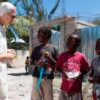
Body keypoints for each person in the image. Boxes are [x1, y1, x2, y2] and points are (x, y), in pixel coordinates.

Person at [56, 34, 89, 100]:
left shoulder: (81, 56)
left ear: (78, 44)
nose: (68, 42)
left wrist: (80, 74)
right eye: (68, 40)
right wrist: (62, 72)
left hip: (76, 88)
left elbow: (86, 69)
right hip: (64, 88)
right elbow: (57, 68)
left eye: (72, 41)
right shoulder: (62, 55)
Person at [30, 26, 58, 100]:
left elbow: (57, 64)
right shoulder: (36, 49)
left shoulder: (53, 49)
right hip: (37, 77)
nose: (37, 36)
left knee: (48, 97)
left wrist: (50, 58)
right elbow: (31, 62)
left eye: (39, 35)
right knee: (36, 97)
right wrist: (38, 64)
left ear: (46, 36)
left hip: (48, 78)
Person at [0, 2, 16, 100]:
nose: (14, 19)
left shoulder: (2, 28)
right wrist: (8, 56)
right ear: (4, 14)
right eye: (13, 16)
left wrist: (6, 50)